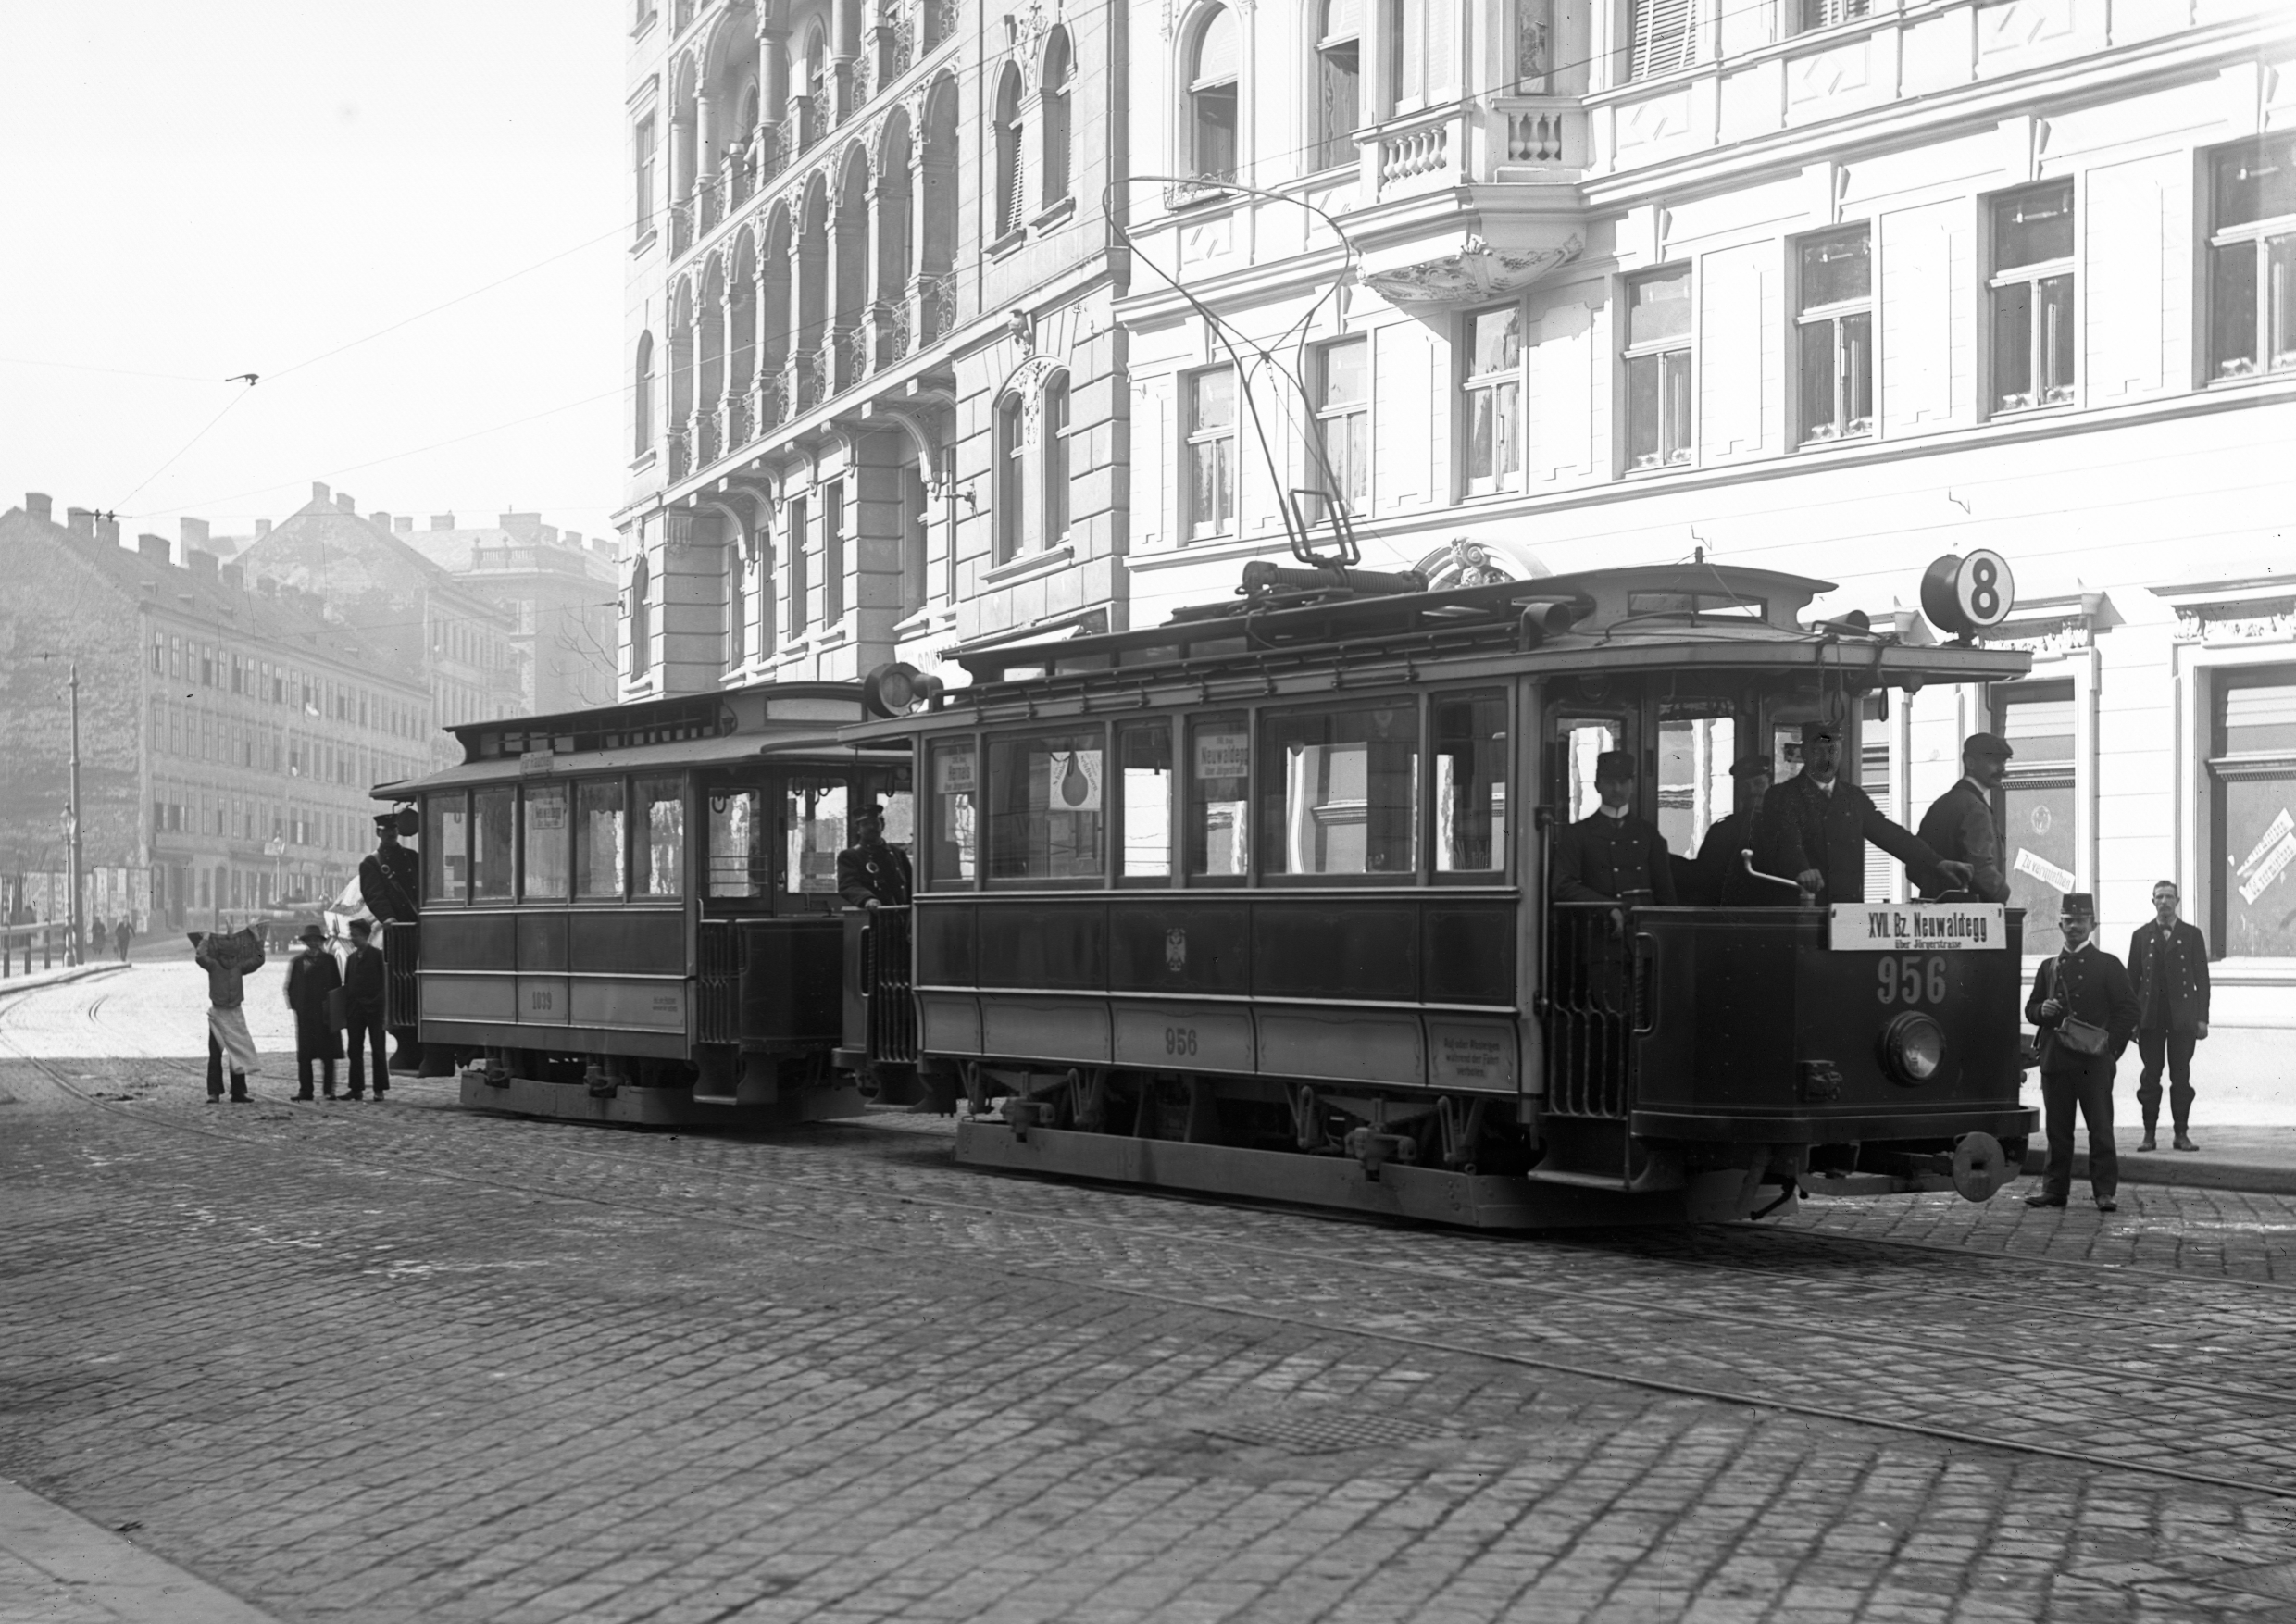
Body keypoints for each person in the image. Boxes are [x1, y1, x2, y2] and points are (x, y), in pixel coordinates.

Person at [1760, 718, 1968, 903]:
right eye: (1819, 750)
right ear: (1804, 752)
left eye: (1833, 750)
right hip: (1804, 907)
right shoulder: (1782, 796)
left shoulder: (1854, 798)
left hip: (1847, 909)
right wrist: (1801, 869)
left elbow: (1890, 835)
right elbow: (1787, 841)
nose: (1827, 757)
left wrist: (1937, 863)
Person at [2025, 892, 2140, 1212]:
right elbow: (2031, 1008)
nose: (2074, 926)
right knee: (2057, 1131)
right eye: (2068, 921)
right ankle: (2054, 1190)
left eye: (2081, 921)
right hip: (2055, 1062)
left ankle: (2104, 1192)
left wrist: (2109, 1048)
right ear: (2060, 924)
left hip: (2093, 1064)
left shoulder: (2108, 965)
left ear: (2093, 925)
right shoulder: (2048, 967)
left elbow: (2129, 1010)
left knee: (2100, 1129)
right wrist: (2041, 1010)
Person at [2128, 880, 2210, 1153]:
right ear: (2153, 902)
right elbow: (2132, 982)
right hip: (2150, 1018)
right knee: (2150, 1077)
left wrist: (2202, 1019)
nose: (2164, 902)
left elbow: (2203, 980)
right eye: (2159, 897)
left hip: (2182, 1019)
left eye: (2169, 897)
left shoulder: (2192, 935)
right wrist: (2131, 1022)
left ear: (2177, 901)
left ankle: (2181, 1134)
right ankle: (2149, 1135)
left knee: (2181, 1076)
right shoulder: (2140, 936)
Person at [1552, 751, 1678, 906]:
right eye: (1610, 782)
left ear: (1632, 785)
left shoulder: (1648, 833)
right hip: (1598, 924)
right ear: (1597, 785)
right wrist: (1608, 908)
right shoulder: (1578, 834)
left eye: (1623, 782)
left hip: (1642, 924)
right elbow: (1563, 886)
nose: (1617, 789)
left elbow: (1665, 892)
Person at [1915, 733, 2014, 903]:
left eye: (2003, 762)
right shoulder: (1975, 808)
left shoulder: (1941, 804)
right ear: (1970, 763)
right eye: (1994, 761)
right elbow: (1980, 869)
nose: (2001, 768)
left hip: (1935, 916)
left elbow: (1914, 866)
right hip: (1971, 916)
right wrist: (2002, 894)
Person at [1689, 756, 1790, 905]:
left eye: (1758, 783)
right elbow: (1707, 879)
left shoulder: (1789, 827)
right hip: (1736, 910)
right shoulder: (1723, 830)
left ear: (1771, 784)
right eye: (1745, 786)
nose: (1753, 791)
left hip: (1779, 911)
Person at [193, 929, 264, 1103]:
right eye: (226, 957)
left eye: (233, 957)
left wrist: (257, 940)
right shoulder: (213, 966)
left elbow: (258, 960)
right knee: (215, 1055)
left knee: (237, 1054)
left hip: (235, 1014)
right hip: (218, 1014)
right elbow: (200, 957)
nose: (230, 961)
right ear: (220, 956)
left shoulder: (239, 968)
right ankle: (214, 1093)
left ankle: (238, 1092)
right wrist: (206, 939)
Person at [284, 924, 343, 1102]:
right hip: (305, 1015)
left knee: (328, 1054)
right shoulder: (297, 962)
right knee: (305, 1055)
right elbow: (290, 987)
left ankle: (328, 1090)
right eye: (309, 941)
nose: (313, 944)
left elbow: (337, 987)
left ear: (320, 942)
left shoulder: (330, 961)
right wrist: (297, 1007)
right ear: (305, 942)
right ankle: (305, 1090)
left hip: (325, 1015)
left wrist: (333, 1011)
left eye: (316, 940)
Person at [342, 917, 390, 1103]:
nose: (352, 938)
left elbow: (384, 985)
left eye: (355, 935)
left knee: (378, 1050)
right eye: (351, 935)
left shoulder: (377, 956)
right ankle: (356, 1089)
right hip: (355, 1012)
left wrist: (377, 1004)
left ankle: (379, 1090)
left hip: (374, 1012)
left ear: (365, 936)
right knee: (354, 1050)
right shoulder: (351, 959)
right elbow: (348, 985)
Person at [837, 802, 914, 909]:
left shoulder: (897, 853)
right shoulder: (850, 856)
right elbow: (849, 885)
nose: (871, 827)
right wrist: (867, 899)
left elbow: (911, 883)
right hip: (872, 914)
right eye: (865, 824)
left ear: (882, 826)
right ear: (858, 829)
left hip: (902, 913)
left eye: (875, 823)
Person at [360, 810, 421, 922]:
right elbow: (374, 896)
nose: (391, 834)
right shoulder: (371, 863)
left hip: (419, 919)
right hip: (397, 925)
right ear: (378, 833)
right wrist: (387, 917)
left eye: (394, 829)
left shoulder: (412, 856)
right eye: (386, 830)